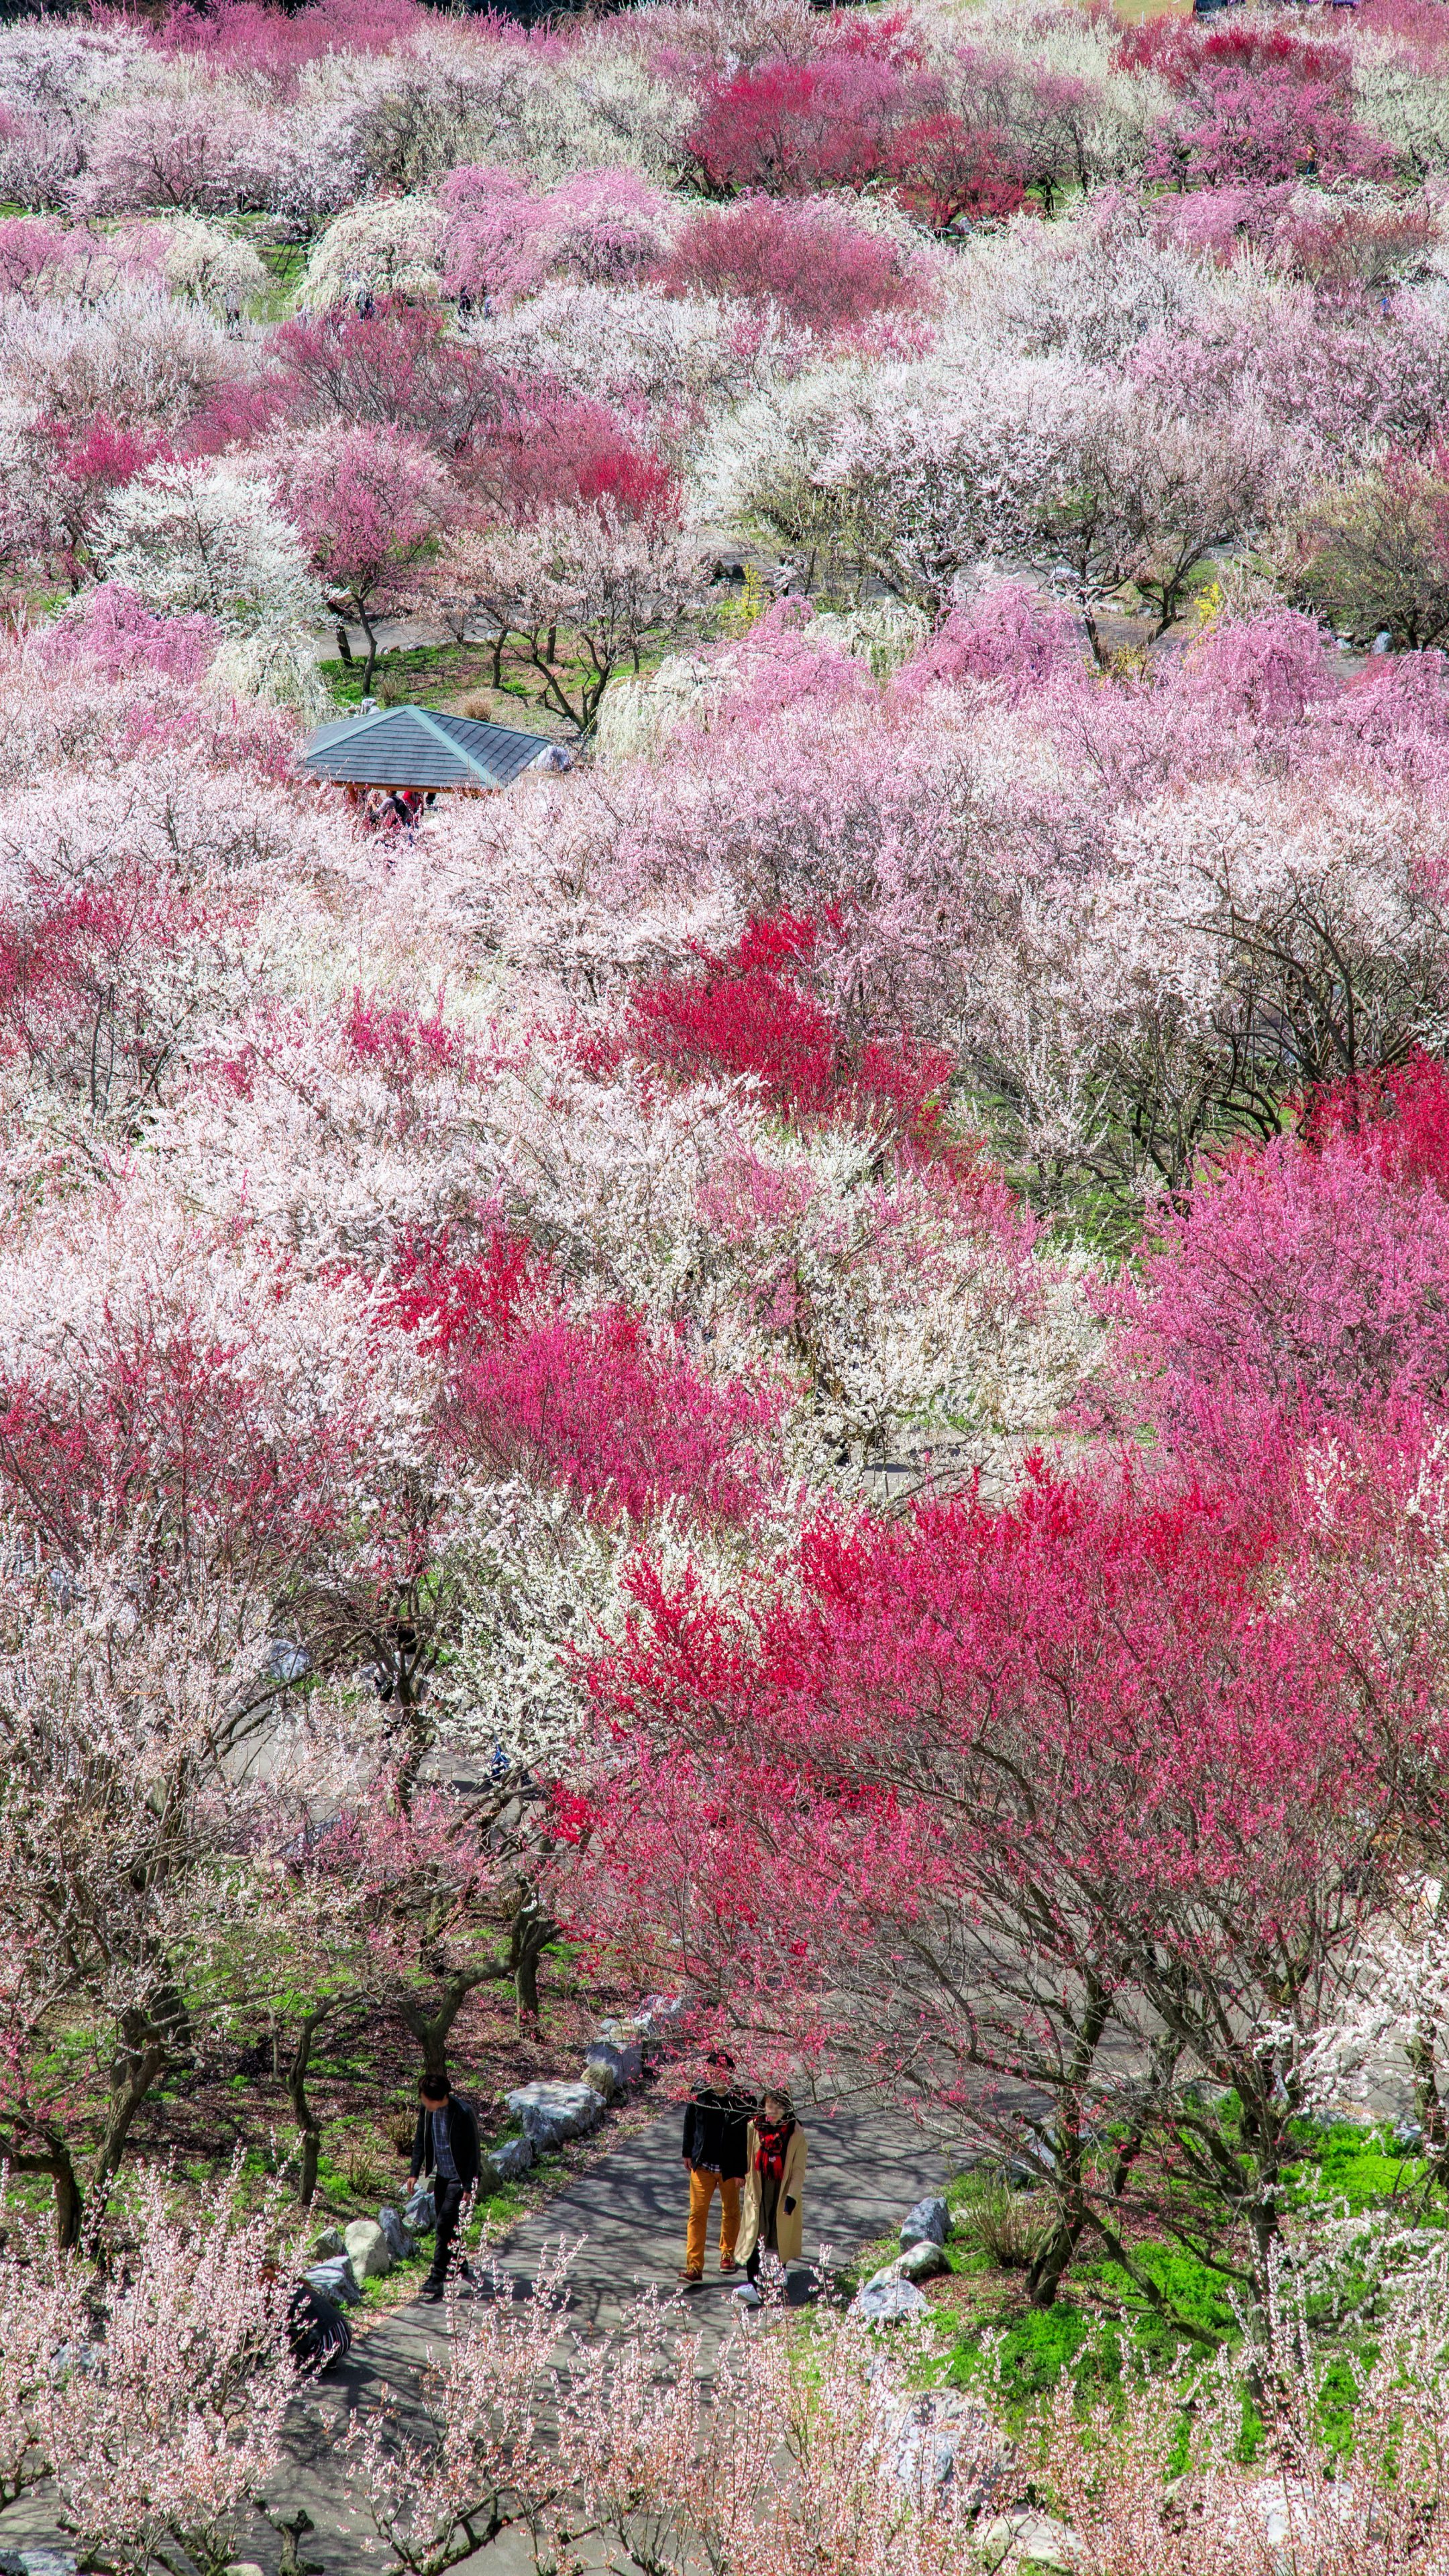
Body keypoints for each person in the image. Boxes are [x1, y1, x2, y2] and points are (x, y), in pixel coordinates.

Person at [678, 2049, 752, 2288]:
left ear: (730, 2073)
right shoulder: (700, 2091)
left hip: (729, 2167)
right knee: (697, 2214)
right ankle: (694, 2267)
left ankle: (728, 2254)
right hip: (703, 2164)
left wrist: (743, 2169)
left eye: (721, 2070)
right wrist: (687, 2151)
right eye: (712, 2070)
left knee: (730, 2211)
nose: (716, 2075)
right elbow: (690, 2120)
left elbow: (746, 2137)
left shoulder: (741, 2098)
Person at [410, 2072, 481, 2301]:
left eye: (424, 2098)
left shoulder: (462, 2113)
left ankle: (437, 2278)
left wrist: (469, 2186)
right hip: (442, 2175)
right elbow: (420, 2141)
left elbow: (473, 2152)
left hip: (459, 2179)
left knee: (442, 2224)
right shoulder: (427, 2112)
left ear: (436, 2097)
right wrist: (414, 2172)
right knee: (449, 2224)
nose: (422, 2101)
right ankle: (460, 2264)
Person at [734, 2090, 807, 2308]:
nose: (773, 2111)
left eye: (778, 2106)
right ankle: (753, 2287)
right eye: (769, 2105)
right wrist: (741, 2174)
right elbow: (746, 2155)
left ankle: (779, 2271)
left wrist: (791, 2197)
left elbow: (798, 2170)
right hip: (758, 2190)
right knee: (754, 2235)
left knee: (778, 2234)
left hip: (781, 2189)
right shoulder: (754, 2127)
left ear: (786, 2109)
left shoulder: (795, 2133)